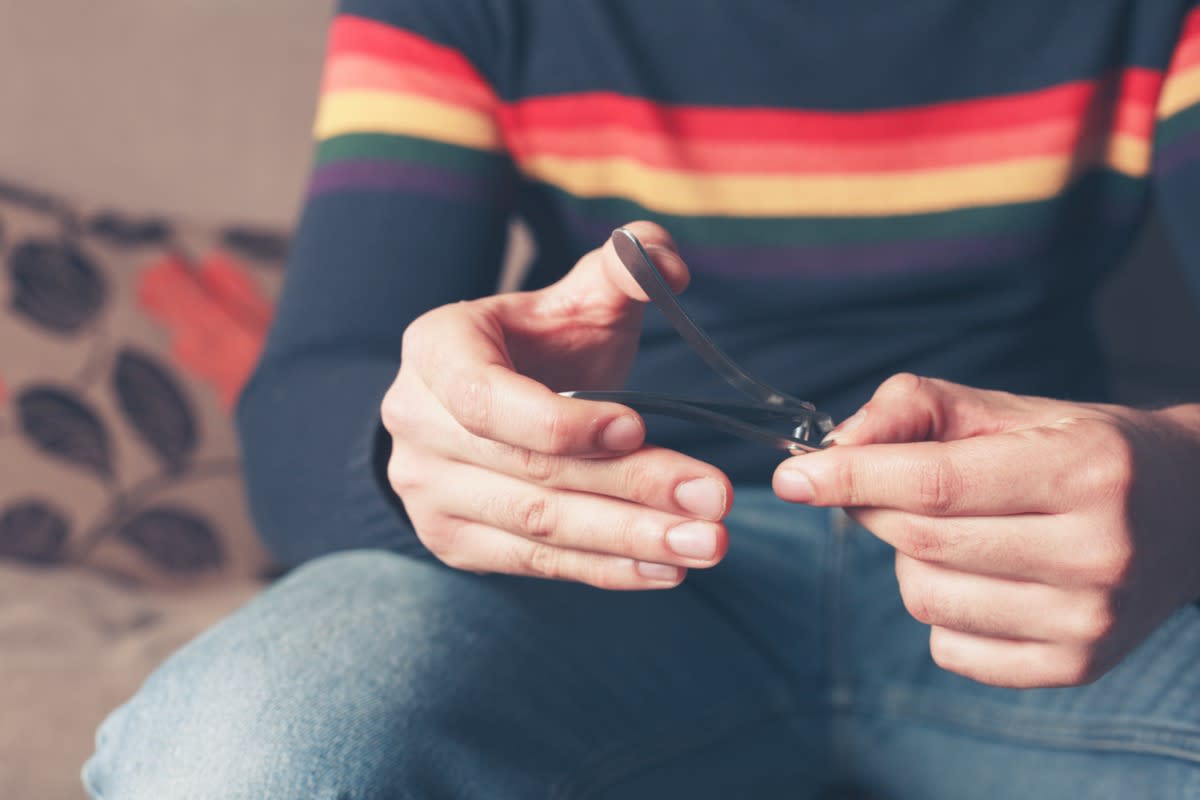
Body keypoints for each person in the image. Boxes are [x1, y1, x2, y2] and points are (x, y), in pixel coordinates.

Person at [84, 2, 1200, 797]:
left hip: (1025, 571)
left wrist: (1184, 478)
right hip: (606, 577)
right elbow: (300, 414)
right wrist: (423, 444)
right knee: (244, 758)